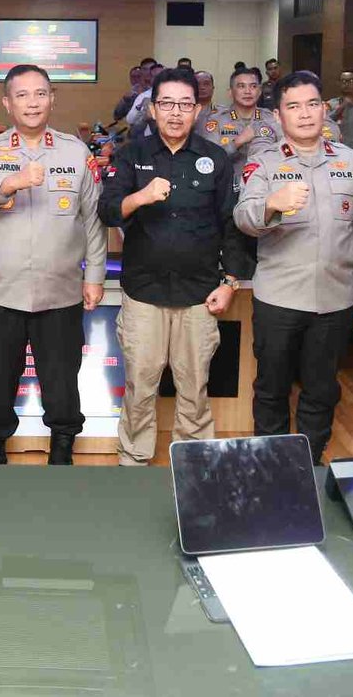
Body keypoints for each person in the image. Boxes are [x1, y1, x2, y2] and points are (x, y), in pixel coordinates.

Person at [234, 71, 353, 463]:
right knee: (272, 389)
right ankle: (271, 467)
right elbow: (243, 218)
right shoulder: (263, 162)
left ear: (324, 110)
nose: (304, 114)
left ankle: (309, 464)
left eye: (312, 104)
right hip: (279, 299)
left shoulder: (351, 161)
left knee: (322, 390)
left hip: (335, 299)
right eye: (293, 106)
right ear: (278, 116)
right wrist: (272, 203)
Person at [0, 64, 107, 465]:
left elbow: (93, 219)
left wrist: (95, 276)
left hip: (60, 292)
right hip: (0, 292)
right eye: (22, 95)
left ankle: (62, 451)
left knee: (62, 382)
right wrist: (8, 184)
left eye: (40, 93)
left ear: (52, 99)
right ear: (7, 103)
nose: (32, 102)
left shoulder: (76, 152)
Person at [100, 67, 247, 465]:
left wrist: (230, 282)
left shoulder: (215, 158)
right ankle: (133, 461)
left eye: (185, 104)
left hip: (199, 294)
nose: (176, 112)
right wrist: (140, 197)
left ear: (197, 110)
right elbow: (107, 210)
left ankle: (194, 466)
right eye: (167, 103)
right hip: (143, 293)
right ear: (152, 108)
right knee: (140, 387)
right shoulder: (132, 154)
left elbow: (231, 225)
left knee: (195, 389)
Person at [199, 67, 279, 164]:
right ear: (230, 92)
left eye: (253, 86)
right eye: (241, 86)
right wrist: (237, 142)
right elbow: (209, 158)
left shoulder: (272, 118)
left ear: (259, 91)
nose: (248, 91)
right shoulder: (216, 121)